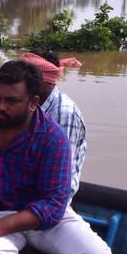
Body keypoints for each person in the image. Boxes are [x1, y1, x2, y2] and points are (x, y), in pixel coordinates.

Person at [0, 60, 112, 254]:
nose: (0, 106)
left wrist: (0, 227)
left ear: (34, 103)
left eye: (11, 101)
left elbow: (54, 203)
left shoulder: (52, 137)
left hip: (39, 218)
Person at [21, 50, 86, 200]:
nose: (20, 83)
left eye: (26, 78)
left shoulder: (63, 112)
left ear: (45, 80)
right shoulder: (29, 103)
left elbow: (60, 175)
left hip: (50, 198)